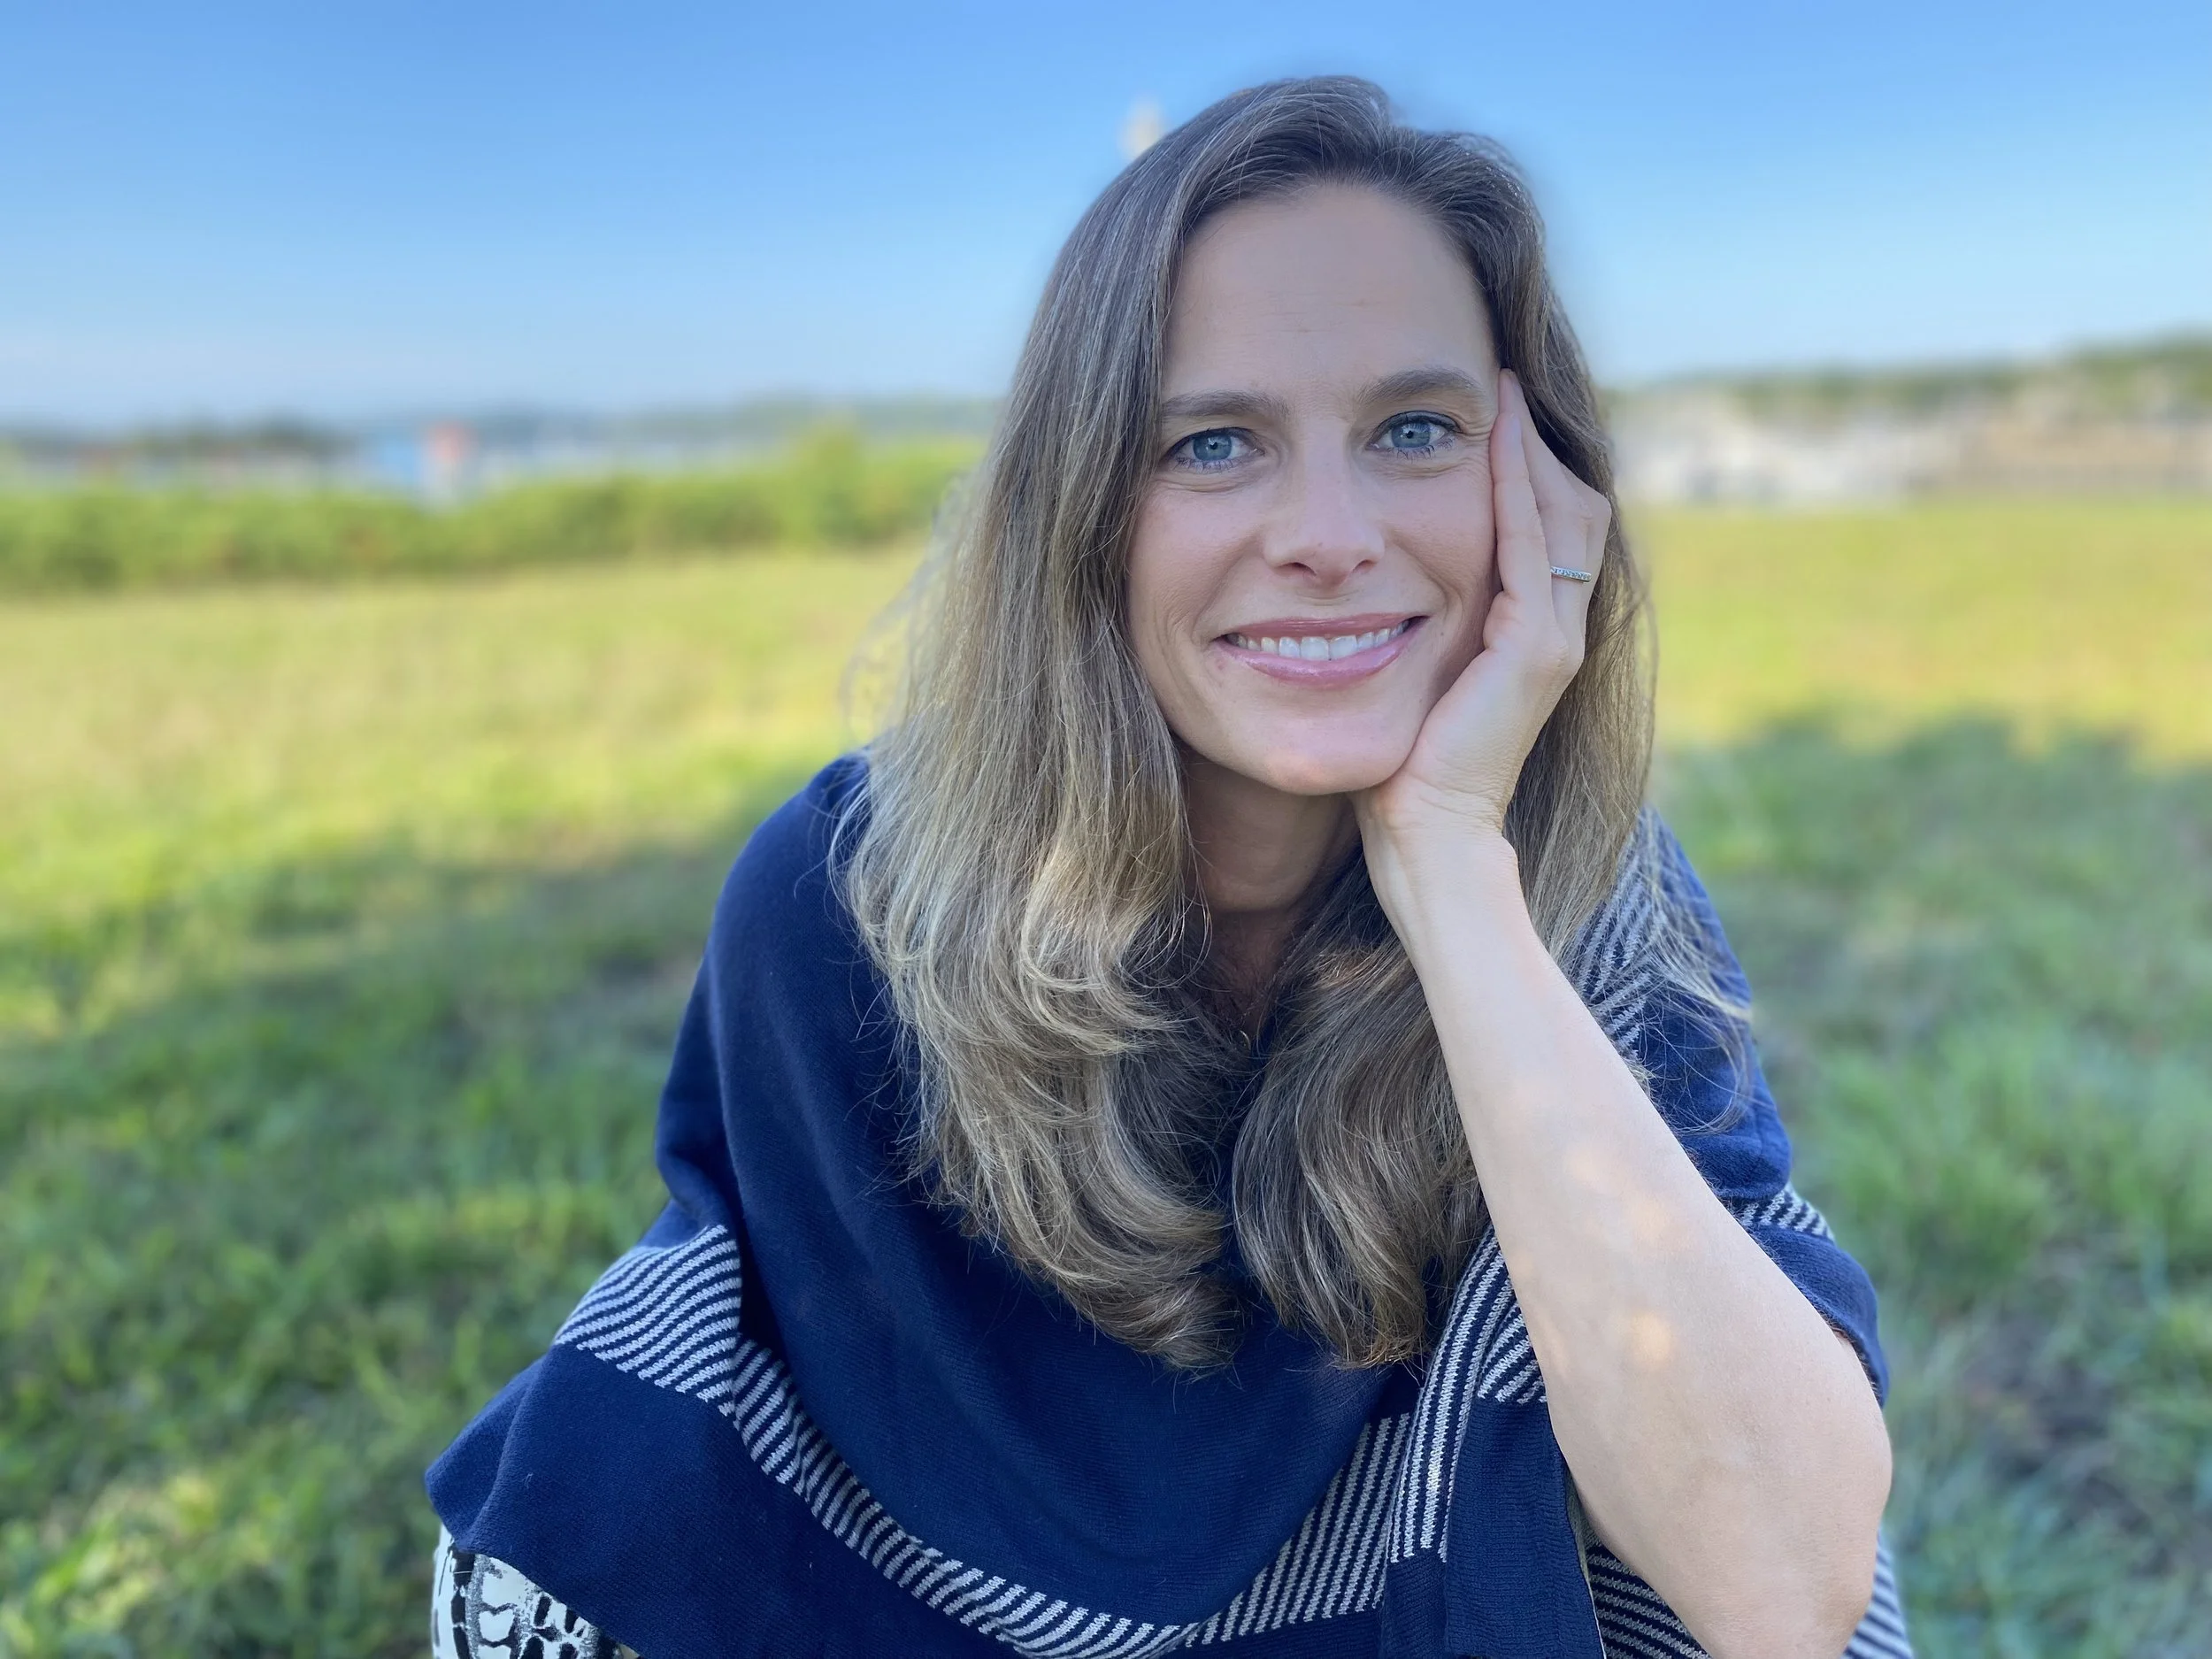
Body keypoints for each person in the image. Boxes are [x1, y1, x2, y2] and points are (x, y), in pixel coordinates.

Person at [426, 78, 1910, 1659]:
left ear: (1531, 489)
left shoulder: (1586, 894)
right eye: (1214, 443)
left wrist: (1457, 876)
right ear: (1083, 509)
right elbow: (787, 1469)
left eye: (1415, 429)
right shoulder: (844, 896)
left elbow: (1779, 1586)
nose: (1328, 532)